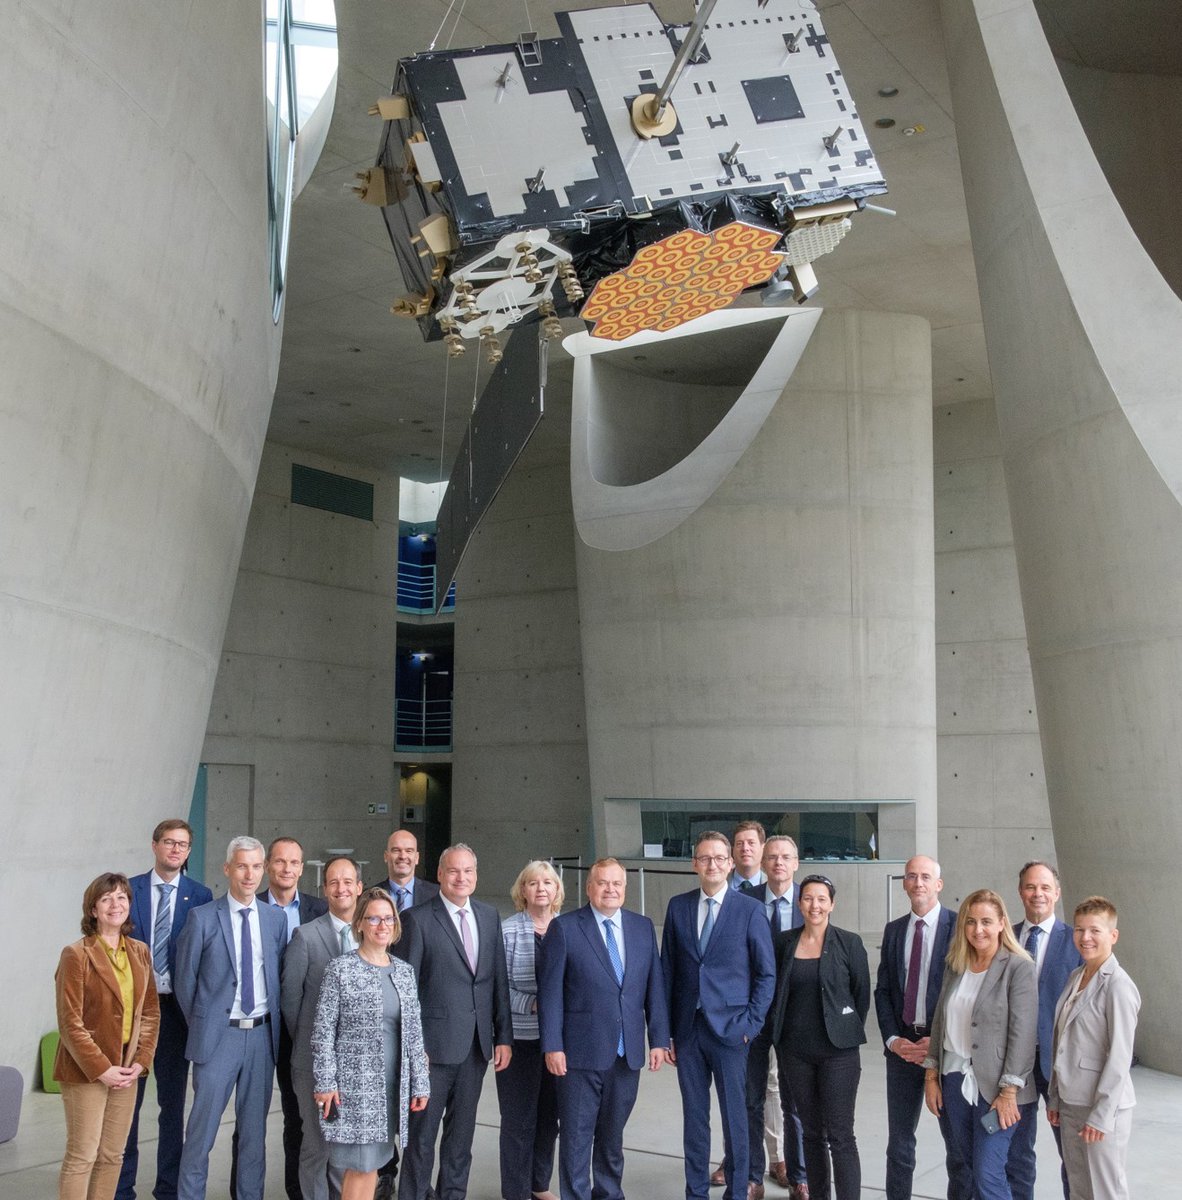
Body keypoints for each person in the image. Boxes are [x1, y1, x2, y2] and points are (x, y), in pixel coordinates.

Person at [538, 858, 670, 1200]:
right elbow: (550, 993)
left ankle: (610, 1193)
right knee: (577, 1136)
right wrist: (553, 1045)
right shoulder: (565, 928)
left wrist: (657, 1039)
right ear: (589, 887)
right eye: (602, 882)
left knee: (612, 1136)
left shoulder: (642, 927)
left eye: (617, 884)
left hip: (627, 1056)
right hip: (579, 1054)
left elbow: (654, 987)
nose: (610, 889)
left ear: (625, 889)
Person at [394, 842, 513, 1200]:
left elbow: (497, 982)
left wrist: (503, 1035)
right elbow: (406, 991)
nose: (461, 877)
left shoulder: (489, 916)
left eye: (468, 871)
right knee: (421, 1140)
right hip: (432, 1052)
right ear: (440, 875)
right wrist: (415, 1050)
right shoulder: (417, 919)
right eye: (454, 871)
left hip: (476, 1048)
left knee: (461, 1140)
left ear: (476, 876)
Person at [661, 831, 775, 1200]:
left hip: (732, 1032)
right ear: (695, 864)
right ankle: (696, 1192)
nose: (712, 864)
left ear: (730, 864)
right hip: (689, 1031)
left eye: (719, 858)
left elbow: (766, 973)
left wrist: (750, 1025)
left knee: (735, 1119)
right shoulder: (678, 907)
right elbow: (667, 972)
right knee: (694, 1119)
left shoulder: (750, 909)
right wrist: (665, 1035)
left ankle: (737, 1192)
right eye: (705, 858)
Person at [174, 836, 288, 1200]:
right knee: (200, 1135)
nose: (250, 874)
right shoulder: (203, 917)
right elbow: (184, 981)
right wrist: (205, 1025)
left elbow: (278, 976)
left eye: (256, 866)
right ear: (227, 869)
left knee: (254, 1137)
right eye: (242, 866)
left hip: (260, 1038)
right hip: (217, 1038)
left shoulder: (275, 919)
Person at [312, 888, 430, 1200]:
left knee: (377, 1164)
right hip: (356, 1089)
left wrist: (421, 1084)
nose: (382, 925)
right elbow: (323, 1032)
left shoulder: (404, 971)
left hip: (392, 1087)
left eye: (388, 918)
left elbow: (414, 1033)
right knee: (361, 1167)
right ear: (360, 924)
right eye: (373, 918)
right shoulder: (340, 969)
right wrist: (326, 1082)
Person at [118, 819, 212, 1200]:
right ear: (154, 845)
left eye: (183, 844)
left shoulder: (201, 895)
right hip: (134, 1012)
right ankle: (122, 1189)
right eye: (169, 842)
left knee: (171, 1106)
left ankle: (168, 1189)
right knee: (128, 1105)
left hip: (176, 1013)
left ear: (189, 851)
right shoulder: (129, 890)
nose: (176, 849)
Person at [923, 889, 1037, 1200]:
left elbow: (1023, 1033)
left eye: (987, 921)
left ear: (1002, 923)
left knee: (988, 1174)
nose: (978, 930)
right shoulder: (955, 965)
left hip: (998, 1091)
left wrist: (1009, 1091)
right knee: (965, 1168)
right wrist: (931, 1076)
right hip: (954, 1083)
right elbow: (939, 1022)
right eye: (970, 922)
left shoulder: (1018, 968)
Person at [55, 873, 160, 1200]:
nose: (116, 905)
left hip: (127, 1072)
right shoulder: (76, 954)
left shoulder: (140, 952)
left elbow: (150, 1013)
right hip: (86, 1073)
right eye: (107, 899)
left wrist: (140, 1063)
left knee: (113, 1155)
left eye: (122, 897)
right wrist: (102, 1069)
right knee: (82, 1156)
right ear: (93, 910)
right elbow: (70, 1022)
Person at [234, 837, 329, 1200]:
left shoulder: (320, 909)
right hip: (259, 1027)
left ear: (302, 868)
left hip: (303, 1031)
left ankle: (296, 1192)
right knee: (248, 1120)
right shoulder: (249, 906)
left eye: (294, 863)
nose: (287, 869)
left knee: (299, 1119)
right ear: (267, 867)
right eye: (279, 862)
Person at [874, 855, 970, 1200]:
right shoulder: (894, 929)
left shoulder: (961, 927)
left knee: (958, 1145)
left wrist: (940, 1039)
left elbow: (966, 991)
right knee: (899, 1144)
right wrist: (892, 1039)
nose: (918, 883)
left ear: (938, 884)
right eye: (911, 876)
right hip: (903, 1050)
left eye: (925, 877)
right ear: (904, 883)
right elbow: (883, 990)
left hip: (945, 1050)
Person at [717, 835, 807, 1199]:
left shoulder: (810, 899)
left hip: (797, 1017)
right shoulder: (743, 902)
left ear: (796, 862)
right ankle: (752, 1175)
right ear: (762, 863)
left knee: (795, 1101)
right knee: (751, 1097)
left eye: (786, 857)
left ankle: (799, 1175)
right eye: (772, 857)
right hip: (753, 1014)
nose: (778, 863)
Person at [770, 874, 869, 1200]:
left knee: (841, 1135)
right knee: (811, 1133)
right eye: (808, 898)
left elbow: (860, 995)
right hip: (795, 1052)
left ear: (832, 904)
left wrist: (842, 1029)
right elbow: (776, 993)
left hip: (838, 1053)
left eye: (821, 899)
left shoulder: (849, 942)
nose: (815, 905)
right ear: (799, 903)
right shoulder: (784, 942)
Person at [281, 855, 366, 1200]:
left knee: (348, 1151)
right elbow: (290, 1003)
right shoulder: (305, 936)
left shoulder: (373, 934)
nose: (341, 888)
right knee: (317, 1147)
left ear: (360, 888)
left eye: (348, 882)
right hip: (314, 1063)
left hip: (359, 1065)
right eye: (333, 882)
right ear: (324, 889)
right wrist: (308, 1046)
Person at [1047, 897, 1140, 1200]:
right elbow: (1063, 1041)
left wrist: (1101, 1115)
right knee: (1080, 1189)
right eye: (1079, 930)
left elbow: (1120, 1056)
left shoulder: (1119, 986)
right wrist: (1055, 1097)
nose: (1085, 938)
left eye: (1094, 931)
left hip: (1101, 1109)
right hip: (1072, 1103)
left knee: (1106, 1191)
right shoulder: (1077, 976)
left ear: (1112, 936)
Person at [1007, 861, 1081, 1200]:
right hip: (1014, 1065)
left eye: (1045, 887)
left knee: (1072, 1156)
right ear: (1021, 891)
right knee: (1017, 1153)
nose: (1038, 894)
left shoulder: (1076, 942)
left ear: (1057, 892)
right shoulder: (1004, 939)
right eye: (1031, 887)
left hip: (1059, 1066)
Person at [497, 861, 564, 1200]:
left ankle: (539, 1185)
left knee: (549, 1118)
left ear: (557, 891)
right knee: (518, 1120)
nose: (541, 888)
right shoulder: (508, 931)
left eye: (548, 882)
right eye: (533, 882)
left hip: (558, 1042)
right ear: (522, 890)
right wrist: (534, 1005)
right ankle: (516, 1192)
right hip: (519, 1040)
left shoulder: (568, 928)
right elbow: (497, 988)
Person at [374, 829, 440, 912]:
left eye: (409, 851)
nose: (403, 856)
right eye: (396, 850)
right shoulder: (370, 895)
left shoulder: (436, 894)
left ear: (417, 858)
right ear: (386, 856)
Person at [730, 821, 766, 891]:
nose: (745, 848)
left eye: (751, 843)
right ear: (733, 849)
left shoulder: (774, 884)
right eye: (739, 843)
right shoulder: (718, 883)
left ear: (763, 848)